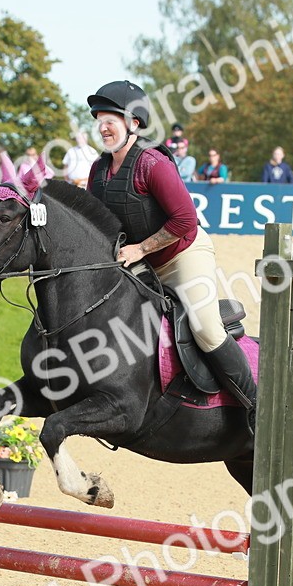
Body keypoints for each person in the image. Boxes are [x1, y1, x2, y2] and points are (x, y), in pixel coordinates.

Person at [86, 80, 257, 431]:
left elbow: (185, 220)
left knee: (206, 329)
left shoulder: (152, 163)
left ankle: (257, 405)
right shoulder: (98, 170)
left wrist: (140, 249)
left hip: (182, 255)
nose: (103, 127)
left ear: (133, 123)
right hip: (139, 263)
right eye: (99, 119)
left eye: (110, 119)